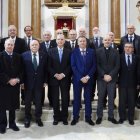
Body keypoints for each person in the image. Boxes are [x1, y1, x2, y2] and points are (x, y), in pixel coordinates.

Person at [71, 36, 96, 126]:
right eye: (80, 41)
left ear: (86, 42)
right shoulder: (74, 52)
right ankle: (75, 117)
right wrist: (81, 77)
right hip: (78, 79)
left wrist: (88, 77)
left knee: (88, 99)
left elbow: (94, 65)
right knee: (77, 99)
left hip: (89, 80)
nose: (82, 42)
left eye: (84, 41)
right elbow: (73, 66)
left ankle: (88, 117)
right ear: (78, 43)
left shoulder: (92, 52)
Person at [22, 40, 48, 128]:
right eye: (32, 45)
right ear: (30, 46)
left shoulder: (44, 55)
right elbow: (22, 71)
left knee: (38, 101)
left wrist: (45, 81)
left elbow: (46, 69)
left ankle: (38, 118)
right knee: (27, 102)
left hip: (39, 83)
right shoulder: (24, 55)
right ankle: (27, 118)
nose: (34, 46)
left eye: (36, 45)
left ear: (39, 46)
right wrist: (22, 82)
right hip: (27, 83)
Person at [48, 34, 71, 125]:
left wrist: (63, 74)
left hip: (65, 78)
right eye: (58, 39)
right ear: (56, 41)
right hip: (54, 78)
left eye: (62, 39)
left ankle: (65, 117)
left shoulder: (69, 51)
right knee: (55, 98)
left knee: (65, 98)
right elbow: (48, 65)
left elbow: (70, 65)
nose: (60, 41)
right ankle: (56, 117)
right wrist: (55, 74)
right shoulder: (50, 51)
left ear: (64, 41)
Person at [0, 38, 23, 134]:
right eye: (8, 44)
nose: (10, 46)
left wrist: (17, 79)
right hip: (3, 85)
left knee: (13, 105)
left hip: (15, 85)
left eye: (11, 44)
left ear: (14, 46)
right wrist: (8, 80)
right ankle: (2, 124)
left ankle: (12, 123)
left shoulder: (18, 56)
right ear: (4, 45)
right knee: (2, 106)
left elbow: (22, 70)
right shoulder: (0, 56)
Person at [96, 35, 120, 125]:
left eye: (108, 40)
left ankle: (111, 116)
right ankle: (99, 116)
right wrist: (103, 75)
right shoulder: (98, 51)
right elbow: (97, 65)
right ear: (103, 41)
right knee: (101, 98)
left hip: (112, 79)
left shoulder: (116, 52)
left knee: (111, 98)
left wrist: (110, 75)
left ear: (111, 41)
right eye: (105, 40)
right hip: (101, 78)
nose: (107, 41)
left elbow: (117, 65)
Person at [118, 42, 140, 125]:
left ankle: (131, 118)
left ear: (133, 49)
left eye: (130, 47)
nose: (128, 48)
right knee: (122, 101)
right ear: (124, 48)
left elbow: (138, 71)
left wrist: (138, 83)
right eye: (126, 47)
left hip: (133, 83)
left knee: (132, 101)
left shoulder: (137, 58)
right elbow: (118, 70)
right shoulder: (120, 57)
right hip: (122, 83)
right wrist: (117, 82)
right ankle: (122, 117)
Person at [40, 30, 54, 107]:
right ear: (43, 36)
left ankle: (51, 101)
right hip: (42, 69)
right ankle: (41, 102)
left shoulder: (54, 44)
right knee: (42, 86)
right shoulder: (39, 45)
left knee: (51, 86)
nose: (46, 36)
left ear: (51, 36)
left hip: (52, 68)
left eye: (48, 35)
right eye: (45, 35)